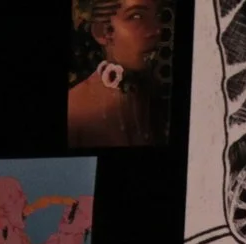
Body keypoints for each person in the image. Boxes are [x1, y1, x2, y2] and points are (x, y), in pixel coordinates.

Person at [67, 0, 170, 149]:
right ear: (103, 32)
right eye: (136, 16)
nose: (156, 30)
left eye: (158, 16)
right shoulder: (75, 111)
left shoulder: (152, 97)